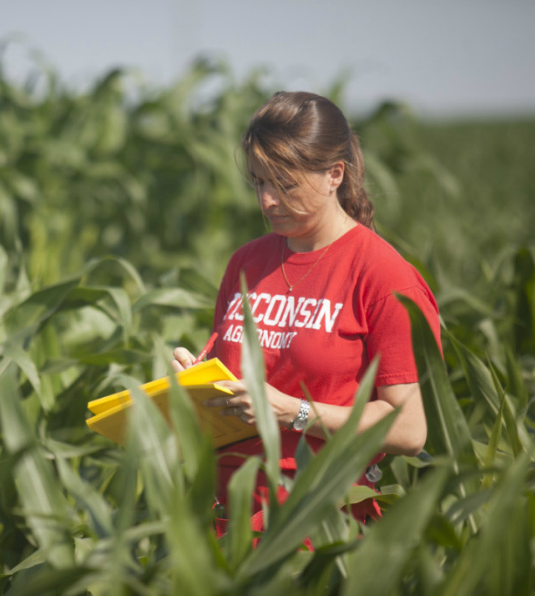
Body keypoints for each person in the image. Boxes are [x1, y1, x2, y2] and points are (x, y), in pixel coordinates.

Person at [171, 91, 441, 534]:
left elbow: (408, 430)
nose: (267, 201)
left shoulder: (384, 276)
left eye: (285, 184)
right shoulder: (246, 263)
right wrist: (195, 380)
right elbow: (243, 379)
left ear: (335, 174)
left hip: (318, 529)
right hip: (227, 519)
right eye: (259, 182)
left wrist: (294, 412)